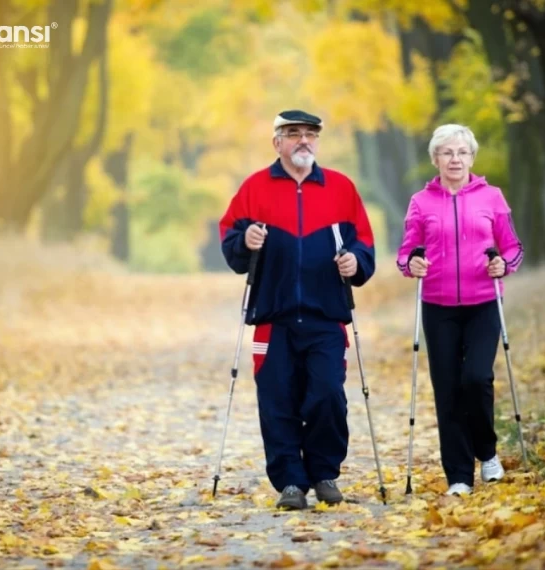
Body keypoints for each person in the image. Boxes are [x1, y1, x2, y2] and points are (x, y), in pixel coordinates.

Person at [218, 110, 377, 510]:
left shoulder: (341, 188)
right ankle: (290, 481)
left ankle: (324, 473)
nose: (302, 141)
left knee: (327, 396)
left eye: (310, 134)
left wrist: (356, 262)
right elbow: (230, 240)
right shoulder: (255, 187)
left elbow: (364, 243)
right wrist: (246, 240)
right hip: (274, 317)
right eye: (293, 134)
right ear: (277, 142)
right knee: (277, 401)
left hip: (326, 316)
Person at [395, 124, 524, 496]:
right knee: (448, 389)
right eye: (447, 153)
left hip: (484, 302)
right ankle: (458, 476)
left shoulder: (492, 197)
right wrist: (411, 265)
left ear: (472, 157)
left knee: (476, 379)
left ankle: (487, 453)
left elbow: (513, 247)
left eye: (462, 152)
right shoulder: (421, 202)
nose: (455, 159)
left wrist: (504, 265)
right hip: (438, 306)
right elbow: (406, 253)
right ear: (435, 159)